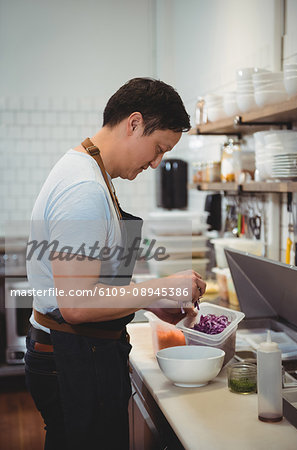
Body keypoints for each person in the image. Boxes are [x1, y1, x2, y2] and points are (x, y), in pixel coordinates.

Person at [25, 77, 206, 450]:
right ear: (134, 123)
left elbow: (89, 286)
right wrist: (165, 286)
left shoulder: (91, 173)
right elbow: (75, 304)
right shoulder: (84, 188)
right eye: (158, 149)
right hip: (73, 358)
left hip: (78, 353)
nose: (157, 163)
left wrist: (148, 301)